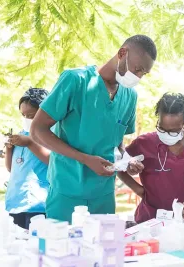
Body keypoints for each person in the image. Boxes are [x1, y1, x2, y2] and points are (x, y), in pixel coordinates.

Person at [30, 35, 157, 222]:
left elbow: (117, 142)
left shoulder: (129, 96)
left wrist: (126, 160)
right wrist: (85, 159)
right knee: (62, 247)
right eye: (137, 69)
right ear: (122, 53)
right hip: (67, 190)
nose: (137, 77)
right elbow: (37, 131)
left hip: (104, 194)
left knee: (103, 248)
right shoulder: (76, 81)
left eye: (143, 74)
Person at [118, 93, 184, 223]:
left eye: (172, 131)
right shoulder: (143, 143)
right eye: (161, 128)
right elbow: (119, 166)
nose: (165, 134)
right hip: (149, 220)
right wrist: (140, 190)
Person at [5, 88, 51, 229]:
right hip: (16, 203)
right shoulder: (21, 135)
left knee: (38, 247)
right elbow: (11, 168)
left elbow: (53, 161)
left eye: (31, 115)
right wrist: (9, 149)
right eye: (23, 115)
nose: (27, 119)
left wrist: (30, 143)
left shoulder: (52, 134)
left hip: (39, 204)